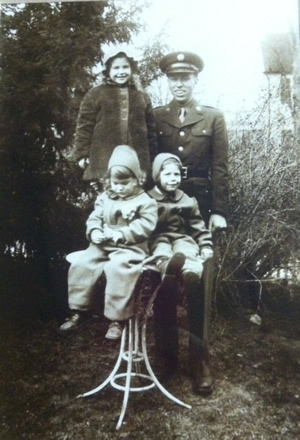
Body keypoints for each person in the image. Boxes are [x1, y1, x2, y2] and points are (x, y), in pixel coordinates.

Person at [153, 51, 229, 394]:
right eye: (174, 78)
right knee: (163, 280)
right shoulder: (155, 117)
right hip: (163, 213)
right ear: (167, 81)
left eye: (185, 78)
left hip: (199, 211)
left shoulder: (212, 117)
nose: (179, 83)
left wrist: (218, 210)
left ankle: (199, 361)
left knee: (201, 284)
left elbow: (220, 169)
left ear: (195, 79)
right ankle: (167, 357)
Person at [60, 145, 158, 339]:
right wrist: (95, 231)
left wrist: (123, 233)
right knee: (83, 264)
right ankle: (79, 309)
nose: (119, 188)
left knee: (118, 269)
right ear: (109, 181)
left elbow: (146, 225)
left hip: (130, 247)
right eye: (115, 183)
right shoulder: (105, 198)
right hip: (102, 245)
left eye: (125, 182)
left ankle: (117, 319)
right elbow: (95, 218)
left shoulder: (145, 201)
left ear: (137, 179)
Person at [147, 153, 213, 392]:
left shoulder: (188, 201)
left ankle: (189, 271)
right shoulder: (147, 200)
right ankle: (169, 267)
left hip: (182, 240)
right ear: (157, 176)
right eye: (168, 174)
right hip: (160, 241)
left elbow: (198, 228)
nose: (174, 179)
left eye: (177, 174)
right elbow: (142, 226)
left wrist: (205, 246)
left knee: (188, 250)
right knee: (162, 252)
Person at [67, 45, 157, 187]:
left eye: (125, 67)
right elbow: (84, 126)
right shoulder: (95, 94)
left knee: (135, 202)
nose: (121, 72)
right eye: (116, 68)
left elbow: (150, 130)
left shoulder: (141, 96)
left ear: (132, 69)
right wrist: (82, 155)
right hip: (104, 161)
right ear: (107, 70)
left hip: (137, 162)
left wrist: (152, 158)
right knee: (107, 202)